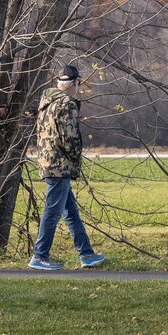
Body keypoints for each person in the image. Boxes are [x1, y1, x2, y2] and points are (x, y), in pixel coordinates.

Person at [28, 64, 106, 271]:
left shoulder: (47, 102)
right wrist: (75, 158)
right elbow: (69, 137)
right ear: (74, 83)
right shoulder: (66, 103)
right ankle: (40, 255)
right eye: (78, 83)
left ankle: (86, 253)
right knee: (52, 211)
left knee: (70, 211)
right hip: (60, 165)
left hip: (48, 162)